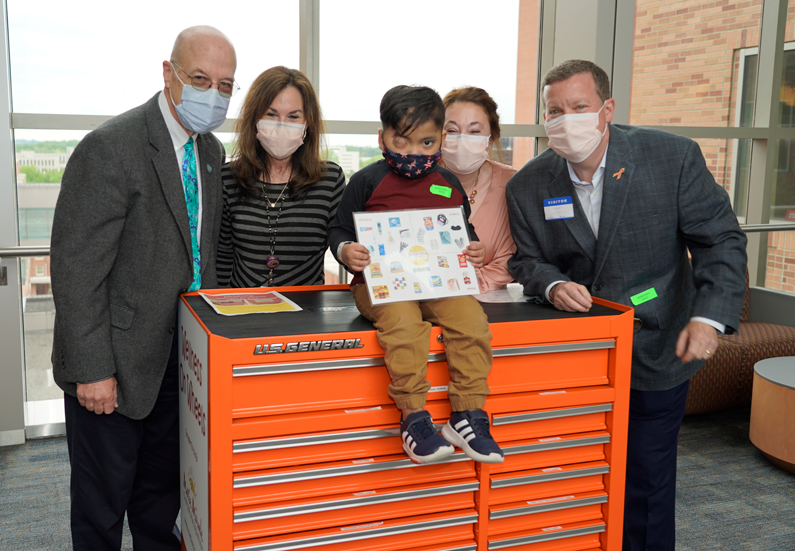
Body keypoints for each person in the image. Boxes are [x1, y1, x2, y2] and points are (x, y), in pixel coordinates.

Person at [506, 60, 747, 551]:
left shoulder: (670, 157)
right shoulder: (528, 185)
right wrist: (550, 284)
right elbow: (526, 260)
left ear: (607, 109)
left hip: (657, 345)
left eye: (579, 107)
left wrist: (709, 317)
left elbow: (720, 240)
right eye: (554, 110)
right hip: (576, 358)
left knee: (646, 480)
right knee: (574, 474)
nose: (566, 119)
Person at [49, 26, 237, 551]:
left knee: (161, 505)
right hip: (114, 365)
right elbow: (76, 268)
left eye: (225, 85)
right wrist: (92, 370)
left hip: (181, 363)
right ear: (168, 73)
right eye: (201, 79)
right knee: (102, 508)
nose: (213, 94)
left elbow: (200, 252)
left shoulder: (209, 150)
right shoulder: (112, 147)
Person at [329, 85, 504, 465]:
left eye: (426, 143)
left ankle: (468, 413)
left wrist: (476, 248)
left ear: (441, 138)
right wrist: (347, 251)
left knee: (473, 322)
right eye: (401, 141)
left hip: (437, 284)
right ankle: (412, 416)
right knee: (405, 325)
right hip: (379, 286)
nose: (413, 153)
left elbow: (463, 231)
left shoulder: (448, 183)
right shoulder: (366, 181)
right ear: (382, 137)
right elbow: (339, 230)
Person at [217, 66, 345, 287]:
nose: (281, 125)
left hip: (307, 312)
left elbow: (343, 243)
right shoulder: (229, 178)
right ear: (255, 118)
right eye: (271, 114)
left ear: (308, 124)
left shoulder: (330, 179)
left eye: (293, 116)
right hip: (241, 310)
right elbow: (221, 259)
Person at [440, 87, 516, 292]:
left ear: (490, 140)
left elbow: (510, 260)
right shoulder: (417, 180)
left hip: (489, 303)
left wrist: (464, 285)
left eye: (474, 132)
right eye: (453, 131)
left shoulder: (513, 184)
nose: (463, 139)